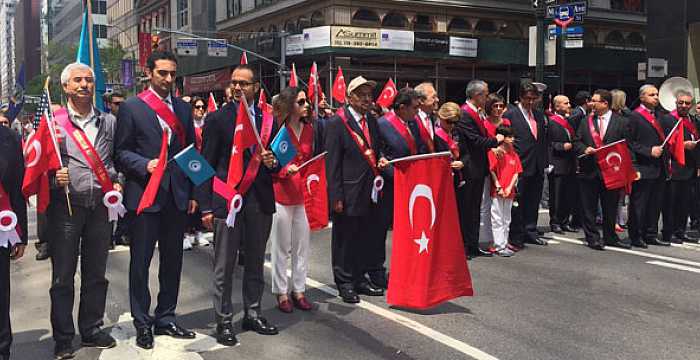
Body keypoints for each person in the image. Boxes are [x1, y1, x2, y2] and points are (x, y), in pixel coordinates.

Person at [114, 51, 198, 350]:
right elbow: (120, 153)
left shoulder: (184, 110)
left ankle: (166, 316)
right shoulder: (132, 108)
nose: (168, 79)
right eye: (162, 73)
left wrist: (195, 194)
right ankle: (142, 321)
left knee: (173, 261)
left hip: (176, 196)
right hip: (145, 196)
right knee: (140, 262)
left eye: (172, 74)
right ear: (149, 72)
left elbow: (191, 155)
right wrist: (144, 164)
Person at [197, 64, 280, 346]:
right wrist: (206, 206)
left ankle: (252, 313)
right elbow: (205, 165)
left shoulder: (269, 120)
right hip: (227, 201)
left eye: (244, 83)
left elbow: (282, 158)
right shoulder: (217, 119)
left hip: (260, 201)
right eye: (234, 83)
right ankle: (223, 321)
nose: (237, 88)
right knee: (224, 265)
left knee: (256, 262)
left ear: (256, 88)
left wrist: (274, 162)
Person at [48, 62, 121, 359]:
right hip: (66, 207)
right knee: (63, 276)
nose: (83, 85)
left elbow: (118, 160)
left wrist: (118, 183)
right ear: (65, 86)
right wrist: (54, 177)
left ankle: (91, 328)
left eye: (88, 80)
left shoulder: (109, 121)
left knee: (96, 273)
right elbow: (36, 165)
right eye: (77, 80)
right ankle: (64, 338)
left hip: (101, 208)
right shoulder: (53, 122)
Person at [325, 76, 387, 303]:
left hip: (369, 189)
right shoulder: (336, 122)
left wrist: (380, 160)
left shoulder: (372, 121)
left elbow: (376, 150)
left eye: (369, 95)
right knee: (344, 238)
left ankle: (360, 278)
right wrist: (335, 195)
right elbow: (332, 163)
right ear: (349, 97)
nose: (367, 99)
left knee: (363, 236)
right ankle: (345, 282)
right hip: (347, 191)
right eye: (361, 95)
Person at [270, 87, 317, 313]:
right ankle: (281, 292)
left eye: (306, 101)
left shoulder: (309, 130)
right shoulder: (279, 132)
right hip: (282, 193)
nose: (306, 105)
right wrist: (285, 170)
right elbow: (271, 164)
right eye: (301, 102)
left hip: (304, 195)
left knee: (302, 245)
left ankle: (299, 290)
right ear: (290, 106)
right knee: (282, 246)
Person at [374, 88, 427, 288]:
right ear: (402, 107)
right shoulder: (382, 124)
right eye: (415, 107)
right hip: (389, 186)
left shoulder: (414, 123)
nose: (417, 111)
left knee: (407, 230)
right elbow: (379, 155)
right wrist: (395, 177)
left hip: (412, 186)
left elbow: (420, 150)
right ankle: (377, 270)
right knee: (380, 232)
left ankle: (405, 269)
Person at [574, 89, 630, 250]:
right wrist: (584, 149)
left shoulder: (622, 122)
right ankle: (592, 237)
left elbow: (627, 147)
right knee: (589, 207)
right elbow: (576, 141)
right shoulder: (586, 121)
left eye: (595, 100)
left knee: (611, 206)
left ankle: (610, 235)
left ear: (605, 103)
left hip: (611, 171)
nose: (591, 103)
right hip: (589, 169)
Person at [455, 80, 504, 259]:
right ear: (476, 95)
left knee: (474, 209)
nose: (487, 98)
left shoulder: (478, 113)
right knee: (466, 209)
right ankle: (464, 247)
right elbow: (475, 141)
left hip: (478, 168)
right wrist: (495, 140)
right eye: (485, 94)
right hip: (469, 168)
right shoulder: (465, 114)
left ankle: (473, 244)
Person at [504, 81, 548, 249]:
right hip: (520, 164)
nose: (530, 102)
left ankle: (530, 231)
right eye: (527, 98)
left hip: (537, 164)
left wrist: (545, 161)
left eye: (533, 99)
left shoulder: (538, 115)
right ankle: (516, 234)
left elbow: (543, 140)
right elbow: (508, 141)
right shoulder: (511, 115)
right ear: (521, 97)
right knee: (518, 201)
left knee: (533, 200)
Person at [626, 84, 670, 248]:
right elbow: (629, 143)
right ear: (642, 97)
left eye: (657, 94)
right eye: (652, 94)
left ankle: (650, 233)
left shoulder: (660, 116)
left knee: (655, 203)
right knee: (639, 204)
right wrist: (648, 151)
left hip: (659, 167)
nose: (656, 97)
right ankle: (636, 235)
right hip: (643, 166)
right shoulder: (634, 116)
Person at [0, 122, 27, 360]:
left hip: (2, 227)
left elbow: (18, 188)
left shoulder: (9, 138)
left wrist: (21, 235)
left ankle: (3, 349)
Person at [660, 90, 699, 244]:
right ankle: (668, 232)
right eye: (681, 102)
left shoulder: (694, 120)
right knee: (670, 203)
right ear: (676, 103)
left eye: (687, 103)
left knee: (685, 203)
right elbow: (664, 143)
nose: (684, 105)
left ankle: (680, 231)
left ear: (691, 105)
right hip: (674, 167)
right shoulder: (667, 119)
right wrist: (681, 146)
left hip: (689, 167)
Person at [478, 94, 510, 254]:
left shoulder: (506, 123)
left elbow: (511, 142)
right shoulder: (484, 124)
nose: (498, 109)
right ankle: (486, 239)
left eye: (501, 105)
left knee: (503, 205)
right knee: (486, 203)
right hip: (487, 165)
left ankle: (502, 239)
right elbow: (481, 143)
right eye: (495, 105)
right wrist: (492, 148)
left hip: (505, 166)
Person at [488, 125, 521, 257]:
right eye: (509, 137)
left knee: (507, 218)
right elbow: (492, 170)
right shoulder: (495, 152)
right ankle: (498, 245)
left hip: (509, 190)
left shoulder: (513, 153)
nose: (512, 139)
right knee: (497, 217)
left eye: (512, 137)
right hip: (498, 190)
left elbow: (516, 172)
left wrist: (509, 187)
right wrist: (499, 186)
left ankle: (504, 242)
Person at [547, 95, 577, 234]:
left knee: (568, 195)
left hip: (570, 163)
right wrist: (560, 146)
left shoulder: (569, 121)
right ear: (557, 106)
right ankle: (555, 221)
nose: (569, 105)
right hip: (558, 163)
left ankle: (565, 221)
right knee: (557, 196)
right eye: (566, 103)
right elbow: (547, 143)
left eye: (569, 102)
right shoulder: (551, 122)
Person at [183, 96, 209, 250]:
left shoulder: (207, 125)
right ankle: (186, 234)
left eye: (202, 107)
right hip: (190, 165)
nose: (200, 110)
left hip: (203, 166)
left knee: (201, 201)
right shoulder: (187, 126)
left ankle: (198, 231)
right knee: (189, 202)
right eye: (197, 107)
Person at [434, 102, 466, 188]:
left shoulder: (458, 131)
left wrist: (462, 162)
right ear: (441, 117)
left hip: (458, 179)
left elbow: (466, 152)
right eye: (449, 122)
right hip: (441, 179)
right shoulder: (434, 134)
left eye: (455, 122)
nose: (452, 125)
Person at [414, 82, 439, 152]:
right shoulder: (412, 119)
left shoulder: (435, 118)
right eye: (433, 97)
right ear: (421, 100)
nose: (437, 100)